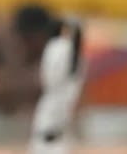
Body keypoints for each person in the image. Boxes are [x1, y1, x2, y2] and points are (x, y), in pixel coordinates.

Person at [29, 17, 85, 154]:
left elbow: (49, 75)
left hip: (55, 96)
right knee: (58, 134)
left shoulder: (57, 46)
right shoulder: (73, 51)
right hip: (65, 97)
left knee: (46, 132)